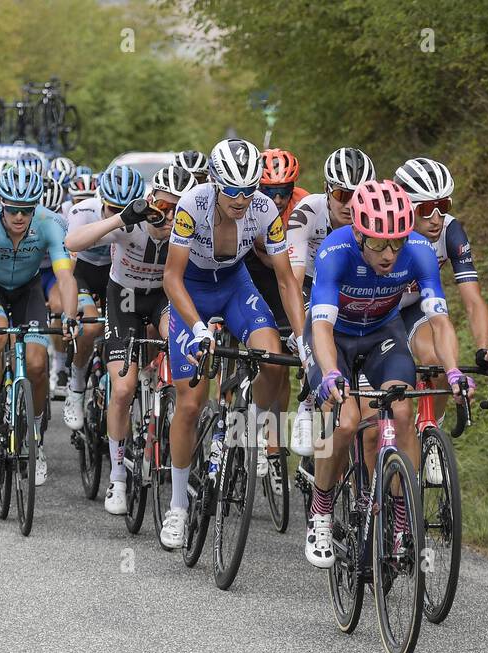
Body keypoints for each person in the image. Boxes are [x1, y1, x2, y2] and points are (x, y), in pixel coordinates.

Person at [303, 180, 469, 568]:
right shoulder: (336, 251)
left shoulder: (420, 252)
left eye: (396, 242)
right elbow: (321, 328)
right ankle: (321, 511)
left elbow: (440, 322)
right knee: (344, 423)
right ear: (359, 233)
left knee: (401, 413)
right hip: (335, 337)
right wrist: (329, 374)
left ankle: (398, 524)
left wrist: (454, 369)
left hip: (382, 334)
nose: (388, 254)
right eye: (377, 243)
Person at [157, 138, 306, 549]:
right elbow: (171, 277)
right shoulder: (191, 205)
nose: (242, 199)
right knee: (190, 402)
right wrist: (197, 328)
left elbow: (285, 279)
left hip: (235, 286)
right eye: (233, 191)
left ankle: (254, 425)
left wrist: (307, 339)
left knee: (273, 357)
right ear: (215, 183)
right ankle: (177, 507)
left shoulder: (264, 209)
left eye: (250, 189)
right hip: (193, 290)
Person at [65, 165, 191, 514]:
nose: (169, 218)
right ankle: (117, 477)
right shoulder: (131, 224)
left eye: (178, 210)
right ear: (151, 203)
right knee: (122, 389)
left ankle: (164, 400)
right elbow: (72, 242)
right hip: (125, 299)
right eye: (163, 208)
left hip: (163, 299)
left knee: (181, 347)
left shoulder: (187, 229)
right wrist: (122, 217)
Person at [0, 165, 78, 486]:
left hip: (28, 290)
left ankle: (35, 439)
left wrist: (69, 315)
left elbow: (65, 276)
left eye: (26, 210)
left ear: (36, 205)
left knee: (38, 365)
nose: (18, 217)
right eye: (12, 209)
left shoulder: (51, 223)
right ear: (0, 201)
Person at [394, 158, 488, 446]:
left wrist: (484, 348)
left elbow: (473, 299)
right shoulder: (381, 228)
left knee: (436, 362)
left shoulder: (450, 231)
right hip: (376, 308)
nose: (436, 218)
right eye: (425, 209)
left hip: (414, 306)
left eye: (443, 206)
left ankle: (429, 430)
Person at [284, 146, 376, 457]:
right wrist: (300, 334)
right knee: (316, 330)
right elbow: (293, 279)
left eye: (358, 194)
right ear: (326, 190)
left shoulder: (376, 215)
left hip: (355, 287)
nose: (350, 203)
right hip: (312, 282)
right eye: (341, 194)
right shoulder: (308, 212)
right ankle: (308, 400)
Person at [59, 166, 142, 427]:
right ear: (101, 201)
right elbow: (69, 265)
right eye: (112, 210)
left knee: (139, 327)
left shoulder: (141, 216)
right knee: (91, 325)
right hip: (84, 272)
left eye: (124, 211)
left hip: (118, 275)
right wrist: (69, 311)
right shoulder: (82, 212)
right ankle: (76, 385)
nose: (119, 216)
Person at [244, 147, 310, 476]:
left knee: (282, 365)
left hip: (287, 275)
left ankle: (274, 444)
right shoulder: (247, 205)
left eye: (285, 191)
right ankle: (236, 423)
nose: (279, 199)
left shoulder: (304, 204)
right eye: (271, 192)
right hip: (253, 273)